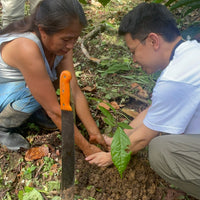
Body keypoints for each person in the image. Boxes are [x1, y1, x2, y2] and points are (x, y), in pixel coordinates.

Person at [85, 2, 200, 199]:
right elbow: (155, 111)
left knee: (161, 150)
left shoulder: (174, 80)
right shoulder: (190, 53)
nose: (134, 60)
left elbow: (144, 137)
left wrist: (111, 157)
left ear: (153, 41)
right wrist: (119, 140)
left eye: (133, 51)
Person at [0, 0, 107, 156]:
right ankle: (2, 128)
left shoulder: (63, 44)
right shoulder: (26, 47)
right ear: (43, 31)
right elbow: (54, 111)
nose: (71, 45)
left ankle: (31, 112)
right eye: (66, 39)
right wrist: (87, 149)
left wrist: (94, 132)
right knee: (38, 93)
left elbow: (73, 89)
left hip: (12, 86)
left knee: (58, 80)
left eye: (75, 39)